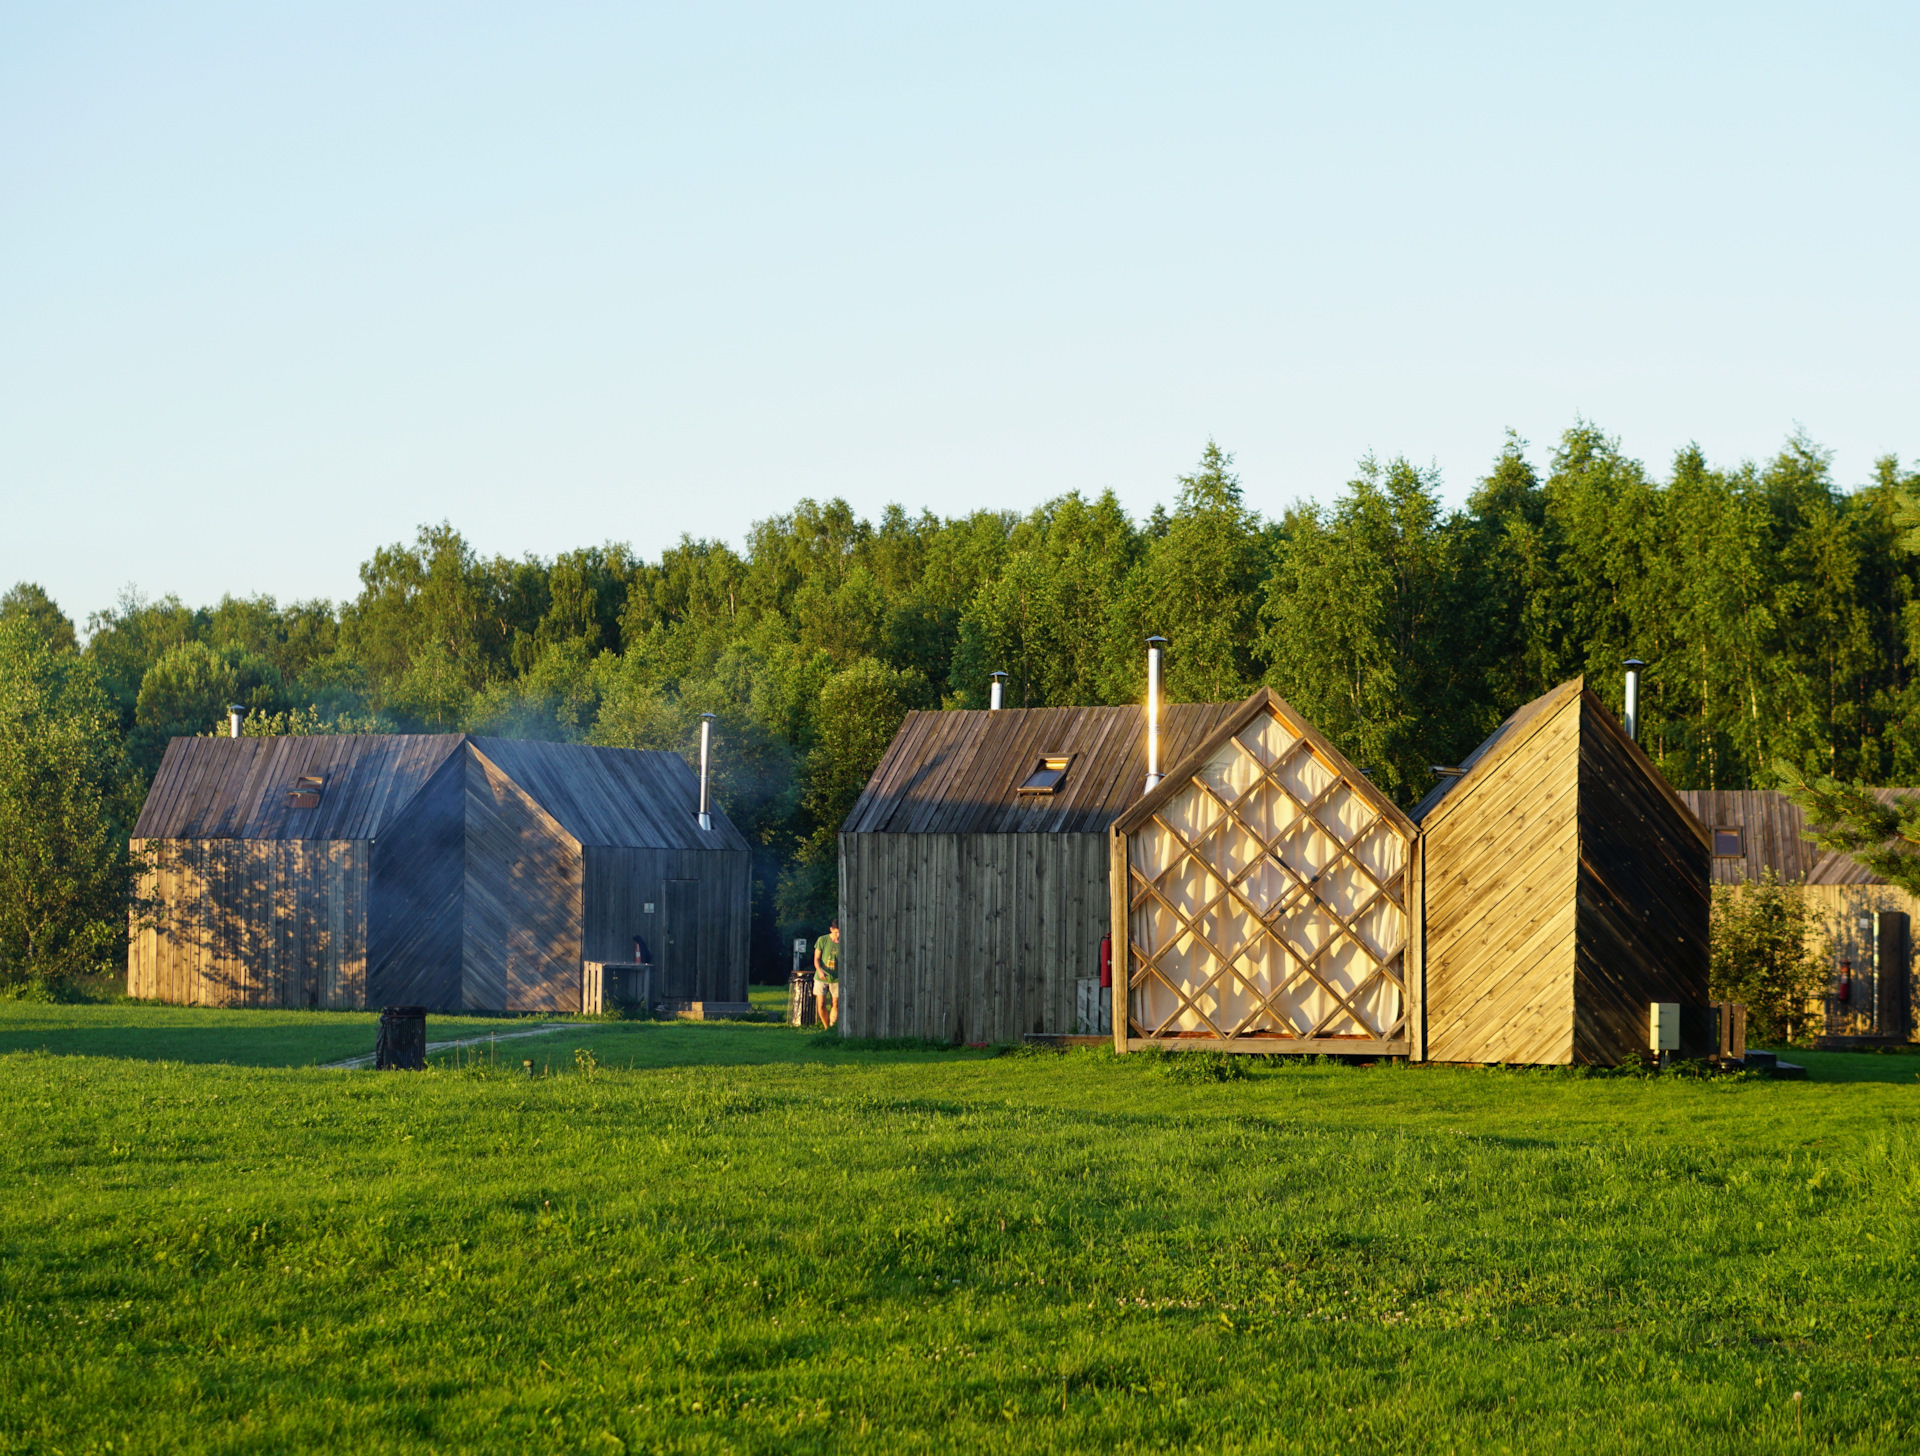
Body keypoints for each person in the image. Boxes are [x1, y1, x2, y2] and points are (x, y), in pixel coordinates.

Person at [813, 920, 841, 1028]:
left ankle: (832, 1026)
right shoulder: (822, 940)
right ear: (831, 929)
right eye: (836, 932)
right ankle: (826, 1026)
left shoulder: (844, 941)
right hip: (822, 976)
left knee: (835, 1003)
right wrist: (820, 971)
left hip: (837, 977)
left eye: (840, 933)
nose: (838, 935)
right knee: (821, 1004)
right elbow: (816, 959)